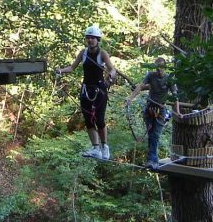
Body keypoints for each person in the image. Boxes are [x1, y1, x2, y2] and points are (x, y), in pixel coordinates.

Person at [56, 25, 117, 160]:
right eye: (88, 38)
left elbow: (112, 69)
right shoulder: (83, 53)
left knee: (100, 120)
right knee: (89, 120)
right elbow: (72, 67)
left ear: (97, 39)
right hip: (86, 90)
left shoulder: (103, 53)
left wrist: (111, 76)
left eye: (92, 38)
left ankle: (104, 146)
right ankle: (95, 148)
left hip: (100, 90)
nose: (90, 40)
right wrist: (60, 70)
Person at [126, 57, 181, 170]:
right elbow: (140, 87)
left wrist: (178, 112)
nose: (159, 70)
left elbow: (175, 96)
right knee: (151, 134)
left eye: (161, 67)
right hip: (149, 108)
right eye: (157, 68)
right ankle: (152, 161)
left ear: (164, 67)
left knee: (155, 135)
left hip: (161, 110)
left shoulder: (170, 79)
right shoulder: (150, 75)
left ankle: (152, 161)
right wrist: (130, 99)